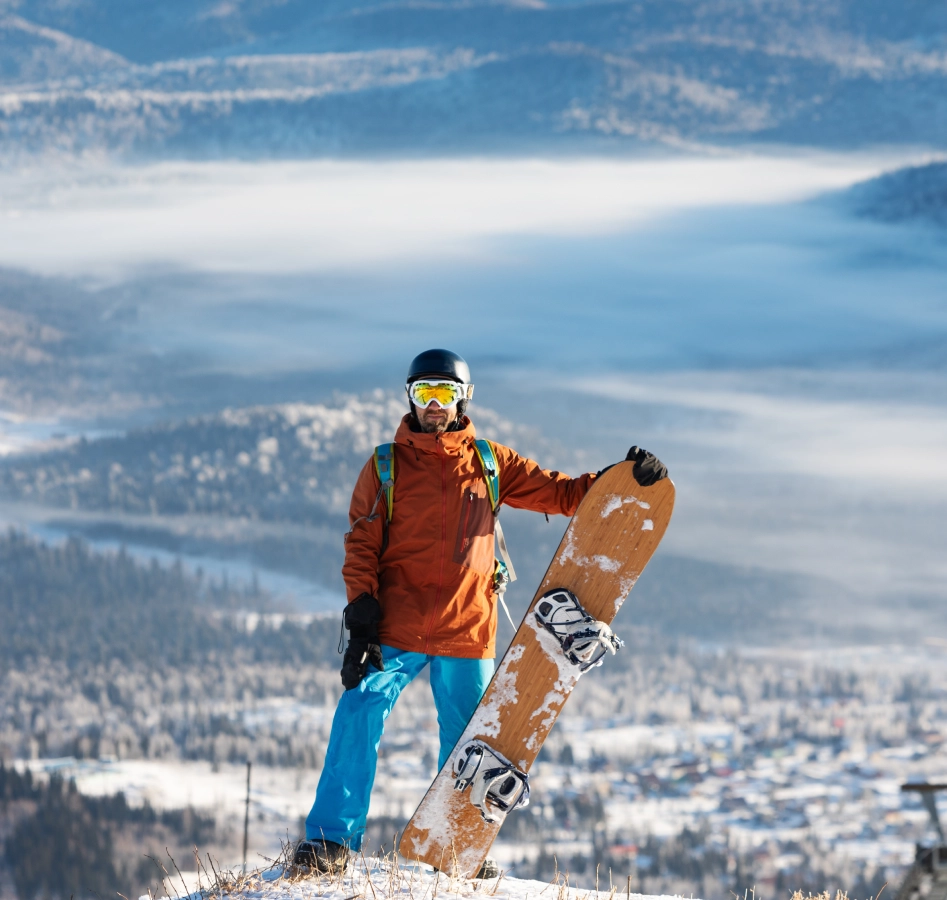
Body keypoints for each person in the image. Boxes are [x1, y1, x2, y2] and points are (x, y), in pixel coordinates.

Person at [295, 349, 667, 875]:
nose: (434, 405)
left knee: (471, 749)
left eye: (445, 394)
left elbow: (561, 493)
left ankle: (455, 851)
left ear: (463, 398)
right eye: (424, 393)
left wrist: (620, 479)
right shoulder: (385, 465)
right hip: (395, 627)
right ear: (409, 396)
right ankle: (331, 842)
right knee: (357, 715)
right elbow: (361, 543)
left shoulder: (490, 462)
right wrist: (360, 613)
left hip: (466, 629)